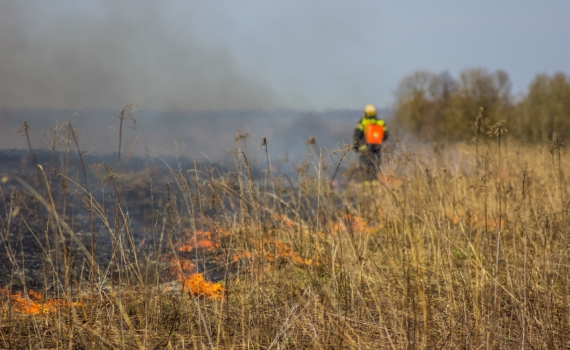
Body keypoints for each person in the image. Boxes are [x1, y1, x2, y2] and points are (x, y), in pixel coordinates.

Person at [353, 104, 388, 181]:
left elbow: (357, 135)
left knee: (365, 168)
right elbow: (385, 135)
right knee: (375, 167)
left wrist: (355, 146)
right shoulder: (381, 122)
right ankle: (374, 185)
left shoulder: (363, 122)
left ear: (366, 113)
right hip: (377, 149)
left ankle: (367, 186)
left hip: (365, 150)